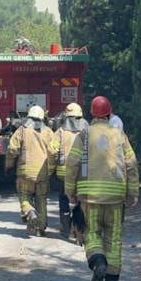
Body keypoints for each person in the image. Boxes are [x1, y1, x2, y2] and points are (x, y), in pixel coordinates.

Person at [65, 96, 139, 281]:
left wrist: (70, 191)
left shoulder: (84, 134)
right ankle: (112, 280)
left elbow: (72, 163)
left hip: (90, 197)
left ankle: (98, 262)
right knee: (114, 237)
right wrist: (133, 192)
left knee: (91, 232)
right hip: (116, 198)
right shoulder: (120, 135)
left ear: (92, 113)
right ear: (109, 113)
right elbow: (131, 164)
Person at [6, 105, 55, 236]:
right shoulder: (48, 132)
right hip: (43, 174)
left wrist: (8, 165)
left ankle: (29, 211)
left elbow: (12, 149)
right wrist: (52, 169)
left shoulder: (22, 130)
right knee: (41, 200)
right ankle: (40, 229)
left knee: (24, 195)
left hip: (25, 174)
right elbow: (54, 151)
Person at [49, 102, 89, 239]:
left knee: (63, 198)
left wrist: (50, 169)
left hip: (64, 173)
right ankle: (80, 228)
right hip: (84, 173)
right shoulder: (88, 132)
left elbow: (52, 151)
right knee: (82, 200)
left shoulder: (60, 132)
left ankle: (66, 228)